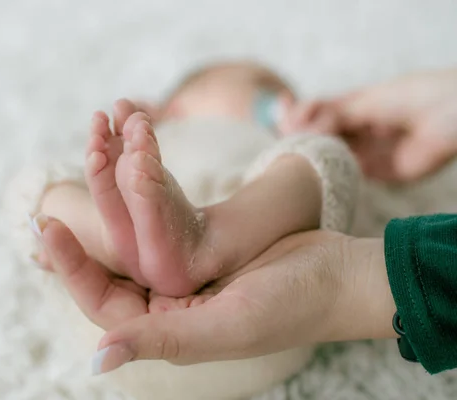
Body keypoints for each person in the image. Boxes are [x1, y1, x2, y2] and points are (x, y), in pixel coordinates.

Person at [28, 67, 457, 376]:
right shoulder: (158, 137)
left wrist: (308, 134)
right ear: (166, 109)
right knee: (41, 188)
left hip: (275, 297)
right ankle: (111, 240)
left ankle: (193, 240)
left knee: (321, 159)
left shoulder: (279, 146)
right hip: (132, 312)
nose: (288, 108)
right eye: (268, 103)